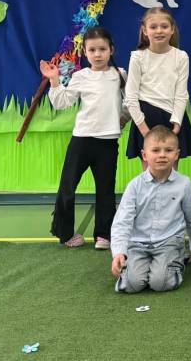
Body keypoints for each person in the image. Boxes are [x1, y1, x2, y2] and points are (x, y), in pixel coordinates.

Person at [42, 26, 127, 250]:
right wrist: (54, 80)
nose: (97, 54)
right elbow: (62, 102)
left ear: (111, 50)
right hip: (81, 140)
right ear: (85, 52)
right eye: (92, 50)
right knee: (67, 186)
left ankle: (104, 235)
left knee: (106, 189)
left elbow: (129, 103)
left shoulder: (120, 75)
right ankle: (65, 233)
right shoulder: (80, 76)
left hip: (108, 142)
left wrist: (122, 119)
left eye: (102, 49)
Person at [110, 127, 191, 293]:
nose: (162, 155)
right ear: (144, 155)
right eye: (155, 150)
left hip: (169, 243)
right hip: (137, 244)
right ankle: (139, 268)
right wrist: (119, 252)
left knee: (160, 283)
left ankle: (175, 263)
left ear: (177, 154)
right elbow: (122, 222)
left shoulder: (184, 184)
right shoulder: (134, 186)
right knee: (132, 285)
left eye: (168, 150)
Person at [125, 7, 191, 166]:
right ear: (145, 30)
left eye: (164, 26)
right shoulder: (138, 57)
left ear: (172, 30)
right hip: (145, 118)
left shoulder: (181, 57)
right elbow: (130, 97)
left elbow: (181, 94)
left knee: (171, 172)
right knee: (149, 172)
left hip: (172, 117)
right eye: (153, 27)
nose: (159, 31)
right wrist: (143, 129)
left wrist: (177, 123)